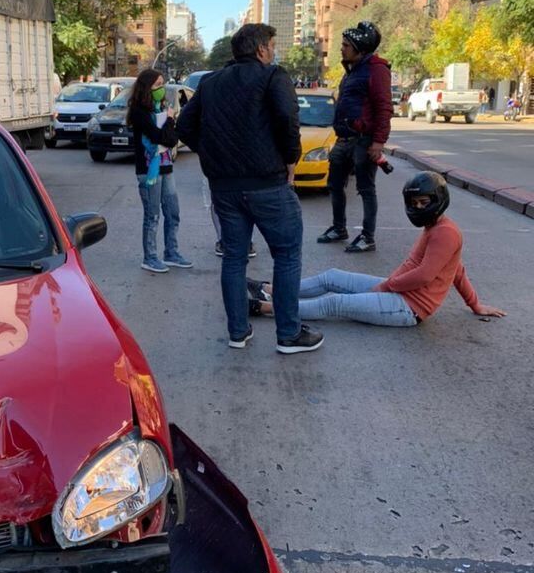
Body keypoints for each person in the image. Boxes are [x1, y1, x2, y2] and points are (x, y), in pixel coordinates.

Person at [176, 22, 323, 354]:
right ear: (260, 50)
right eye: (272, 46)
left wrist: (213, 155)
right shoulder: (273, 76)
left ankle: (238, 332)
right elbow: (288, 117)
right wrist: (291, 158)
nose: (274, 51)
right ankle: (288, 334)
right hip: (268, 184)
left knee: (234, 258)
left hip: (225, 189)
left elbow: (184, 125)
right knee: (286, 256)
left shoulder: (211, 83)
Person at [249, 172, 504, 326]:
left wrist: (388, 286)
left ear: (439, 201)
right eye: (413, 203)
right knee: (332, 277)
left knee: (334, 303)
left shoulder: (445, 232)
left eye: (423, 202)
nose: (417, 208)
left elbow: (425, 275)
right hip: (399, 291)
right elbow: (456, 270)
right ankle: (269, 289)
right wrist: (475, 304)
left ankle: (263, 307)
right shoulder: (435, 226)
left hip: (408, 308)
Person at [318, 21, 392, 253]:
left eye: (346, 45)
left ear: (359, 48)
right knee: (335, 184)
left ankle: (367, 237)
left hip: (364, 140)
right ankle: (339, 228)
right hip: (345, 139)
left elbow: (384, 107)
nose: (342, 48)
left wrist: (378, 142)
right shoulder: (353, 70)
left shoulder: (376, 70)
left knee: (366, 189)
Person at [127, 69, 192, 273]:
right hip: (149, 171)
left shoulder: (161, 108)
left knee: (173, 212)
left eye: (162, 84)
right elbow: (158, 137)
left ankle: (171, 253)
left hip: (166, 168)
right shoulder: (139, 112)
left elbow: (172, 140)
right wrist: (170, 121)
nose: (161, 89)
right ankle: (150, 257)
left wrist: (169, 125)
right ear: (146, 88)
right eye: (157, 85)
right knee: (152, 215)